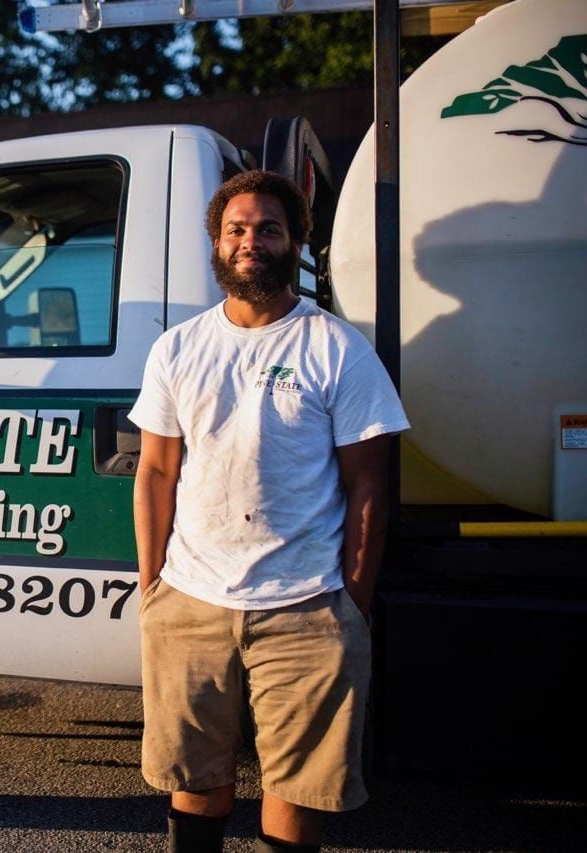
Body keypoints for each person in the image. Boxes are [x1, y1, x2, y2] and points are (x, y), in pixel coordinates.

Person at [129, 170, 409, 853]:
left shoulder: (336, 347)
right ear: (218, 245)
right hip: (190, 599)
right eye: (237, 229)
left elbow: (370, 485)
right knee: (194, 778)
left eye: (268, 229)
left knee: (295, 789)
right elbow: (157, 470)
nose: (251, 240)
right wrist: (151, 586)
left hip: (307, 603)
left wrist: (354, 600)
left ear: (294, 244)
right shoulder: (178, 347)